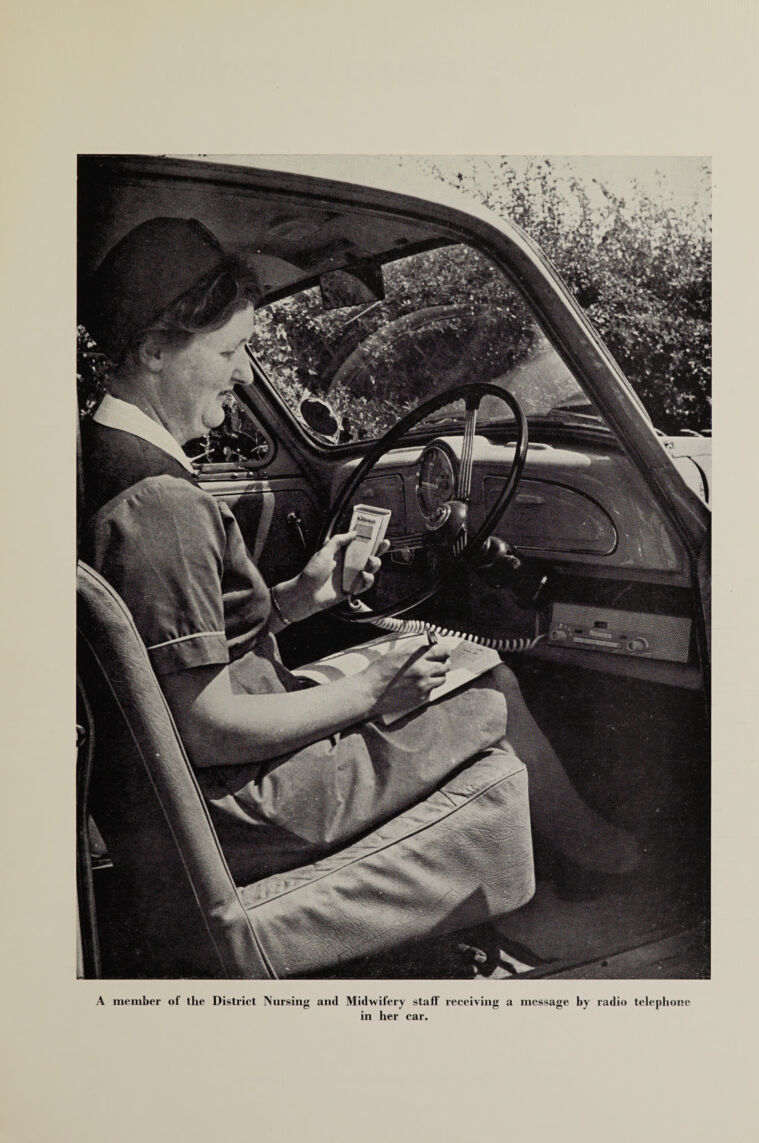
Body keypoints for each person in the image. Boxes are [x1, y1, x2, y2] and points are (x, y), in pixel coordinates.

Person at [79, 217, 639, 889]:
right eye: (230, 352)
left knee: (446, 659)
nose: (245, 374)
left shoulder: (105, 458)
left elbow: (177, 658)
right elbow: (208, 728)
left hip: (212, 790)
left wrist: (296, 600)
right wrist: (371, 693)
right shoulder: (160, 504)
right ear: (154, 351)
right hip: (256, 804)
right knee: (489, 682)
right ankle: (611, 868)